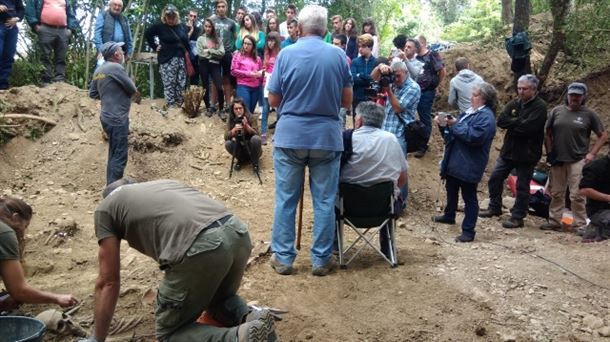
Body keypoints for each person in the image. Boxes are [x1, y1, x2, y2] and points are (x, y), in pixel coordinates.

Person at [82, 179, 276, 342]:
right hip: (237, 232)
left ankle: (239, 337)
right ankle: (251, 316)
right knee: (217, 299)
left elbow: (108, 281)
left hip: (202, 248)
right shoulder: (165, 184)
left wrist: (97, 339)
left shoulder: (105, 209)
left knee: (169, 334)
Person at [267, 4, 352, 277]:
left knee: (285, 199)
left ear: (299, 28)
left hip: (291, 135)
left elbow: (273, 99)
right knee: (325, 201)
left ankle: (283, 258)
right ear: (326, 30)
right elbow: (347, 101)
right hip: (326, 137)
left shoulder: (286, 55)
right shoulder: (339, 56)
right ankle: (320, 259)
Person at [479, 74, 547, 228]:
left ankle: (518, 216)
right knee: (495, 178)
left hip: (527, 154)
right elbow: (501, 121)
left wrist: (513, 124)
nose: (521, 92)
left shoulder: (540, 107)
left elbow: (528, 129)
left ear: (534, 89)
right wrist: (518, 122)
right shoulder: (515, 103)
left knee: (522, 186)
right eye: (519, 88)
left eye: (524, 89)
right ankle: (494, 207)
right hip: (509, 150)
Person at [340, 101, 407, 256]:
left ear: (359, 120)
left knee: (329, 199)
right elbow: (402, 179)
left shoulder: (347, 139)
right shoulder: (391, 139)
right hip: (384, 209)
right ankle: (387, 247)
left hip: (349, 208)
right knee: (391, 195)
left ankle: (335, 246)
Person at [433, 82, 497, 242]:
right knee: (451, 189)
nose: (471, 97)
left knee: (469, 197)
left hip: (470, 162)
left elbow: (474, 137)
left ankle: (468, 231)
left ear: (484, 98)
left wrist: (455, 124)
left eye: (475, 95)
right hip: (455, 159)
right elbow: (452, 135)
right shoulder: (469, 112)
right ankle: (449, 215)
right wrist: (444, 126)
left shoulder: (487, 117)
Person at [541, 82, 608, 231]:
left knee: (577, 195)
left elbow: (603, 136)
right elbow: (547, 133)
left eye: (578, 95)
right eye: (572, 95)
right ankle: (554, 221)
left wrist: (592, 154)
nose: (574, 98)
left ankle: (580, 224)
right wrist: (550, 152)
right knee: (556, 192)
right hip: (558, 158)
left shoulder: (589, 114)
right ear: (567, 95)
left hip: (578, 159)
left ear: (584, 96)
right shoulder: (556, 111)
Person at [0, 197, 78, 311]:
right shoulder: (5, 233)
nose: (23, 233)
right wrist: (57, 298)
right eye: (25, 226)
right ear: (15, 218)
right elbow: (19, 291)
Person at [89, 41, 139, 186]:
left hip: (105, 117)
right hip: (118, 118)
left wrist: (108, 94)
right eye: (121, 51)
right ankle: (113, 191)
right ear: (116, 54)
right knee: (119, 155)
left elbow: (92, 93)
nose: (123, 53)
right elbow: (132, 89)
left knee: (113, 152)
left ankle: (111, 185)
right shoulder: (116, 68)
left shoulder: (99, 70)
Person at [371, 61, 419, 202]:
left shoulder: (413, 88)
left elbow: (398, 107)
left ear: (406, 73)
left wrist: (388, 90)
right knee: (383, 165)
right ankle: (385, 198)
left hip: (400, 133)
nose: (396, 79)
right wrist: (379, 67)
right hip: (385, 129)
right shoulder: (392, 81)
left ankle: (401, 201)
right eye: (394, 76)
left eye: (398, 76)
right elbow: (373, 77)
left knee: (399, 168)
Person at [144, 4, 190, 108]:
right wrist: (155, 46)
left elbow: (186, 42)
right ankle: (171, 104)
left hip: (181, 59)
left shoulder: (182, 26)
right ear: (165, 16)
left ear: (176, 16)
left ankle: (179, 103)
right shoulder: (160, 26)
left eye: (172, 17)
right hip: (167, 59)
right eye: (168, 17)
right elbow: (147, 34)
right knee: (169, 83)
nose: (170, 19)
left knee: (181, 82)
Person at [24, 0, 78, 85]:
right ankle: (46, 80)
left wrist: (70, 30)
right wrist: (35, 25)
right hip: (45, 28)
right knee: (45, 55)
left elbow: (71, 14)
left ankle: (59, 80)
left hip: (63, 30)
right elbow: (29, 9)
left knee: (61, 57)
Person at [413, 34, 446, 158]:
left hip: (427, 91)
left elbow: (442, 71)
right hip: (415, 90)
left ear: (422, 43)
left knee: (425, 117)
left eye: (416, 43)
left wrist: (436, 85)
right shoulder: (416, 57)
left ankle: (423, 145)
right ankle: (415, 141)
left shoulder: (432, 55)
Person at [210, 0, 238, 116]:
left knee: (227, 79)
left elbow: (236, 38)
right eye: (219, 6)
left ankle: (227, 104)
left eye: (223, 6)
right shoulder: (212, 20)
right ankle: (212, 105)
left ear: (226, 8)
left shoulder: (231, 23)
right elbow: (207, 35)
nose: (221, 8)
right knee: (214, 80)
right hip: (214, 53)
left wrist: (234, 49)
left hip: (227, 53)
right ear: (216, 8)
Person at [225, 97, 262, 171]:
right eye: (236, 109)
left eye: (240, 108)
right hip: (240, 147)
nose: (238, 111)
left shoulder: (251, 117)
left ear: (244, 108)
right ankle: (240, 160)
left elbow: (258, 135)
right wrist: (233, 131)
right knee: (228, 143)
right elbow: (225, 136)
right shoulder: (231, 119)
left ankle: (255, 163)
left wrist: (247, 126)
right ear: (233, 110)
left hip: (252, 147)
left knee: (256, 139)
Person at [196, 18, 224, 117]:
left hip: (215, 65)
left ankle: (221, 110)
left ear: (213, 27)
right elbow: (200, 54)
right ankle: (208, 107)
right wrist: (213, 53)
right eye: (206, 26)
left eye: (210, 26)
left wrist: (209, 51)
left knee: (220, 87)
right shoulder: (200, 39)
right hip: (203, 64)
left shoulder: (218, 39)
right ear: (204, 27)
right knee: (205, 87)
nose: (208, 28)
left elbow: (222, 53)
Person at [93, 0, 132, 68]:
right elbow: (97, 34)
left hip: (120, 52)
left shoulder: (124, 19)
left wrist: (129, 52)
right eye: (115, 4)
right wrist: (101, 50)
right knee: (101, 75)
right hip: (105, 52)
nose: (117, 7)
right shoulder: (103, 15)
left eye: (119, 6)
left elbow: (129, 37)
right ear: (110, 5)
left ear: (122, 8)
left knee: (117, 74)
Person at [231, 35, 263, 113]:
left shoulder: (257, 58)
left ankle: (247, 125)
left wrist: (260, 73)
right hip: (243, 86)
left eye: (249, 44)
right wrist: (249, 74)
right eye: (244, 43)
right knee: (245, 110)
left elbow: (261, 72)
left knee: (250, 112)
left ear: (253, 46)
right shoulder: (237, 55)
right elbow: (233, 71)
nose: (246, 46)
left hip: (256, 87)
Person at [260, 32, 280, 145]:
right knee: (266, 109)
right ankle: (263, 133)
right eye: (269, 40)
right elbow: (264, 68)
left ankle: (277, 133)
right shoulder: (266, 53)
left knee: (278, 109)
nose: (270, 43)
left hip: (277, 83)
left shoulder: (280, 53)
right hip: (266, 83)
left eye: (273, 40)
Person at [350, 33, 377, 114]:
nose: (360, 49)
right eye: (359, 46)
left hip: (371, 99)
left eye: (363, 46)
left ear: (370, 47)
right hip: (357, 98)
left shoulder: (376, 62)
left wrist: (360, 75)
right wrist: (369, 78)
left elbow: (374, 80)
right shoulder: (355, 61)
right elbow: (353, 80)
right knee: (357, 123)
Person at [0, 0, 24, 90]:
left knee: (9, 55)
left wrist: (17, 18)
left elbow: (21, 9)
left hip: (12, 27)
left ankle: (3, 84)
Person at [185, 9, 201, 85]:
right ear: (188, 16)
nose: (192, 18)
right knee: (183, 80)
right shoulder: (182, 27)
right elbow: (184, 41)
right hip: (184, 56)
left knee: (194, 80)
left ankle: (193, 96)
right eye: (191, 16)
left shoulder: (198, 30)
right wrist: (191, 30)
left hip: (195, 58)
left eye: (194, 16)